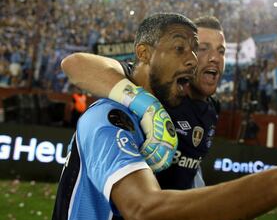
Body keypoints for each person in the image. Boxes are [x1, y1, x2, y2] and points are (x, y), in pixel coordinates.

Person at [51, 13, 277, 220]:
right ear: (146, 55)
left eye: (218, 50)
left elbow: (190, 178)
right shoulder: (114, 113)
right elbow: (148, 214)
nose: (198, 59)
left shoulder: (207, 108)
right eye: (190, 49)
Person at [61, 16, 226, 190]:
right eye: (202, 48)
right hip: (139, 207)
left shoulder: (212, 109)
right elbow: (75, 64)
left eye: (221, 51)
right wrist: (148, 106)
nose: (214, 58)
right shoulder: (158, 86)